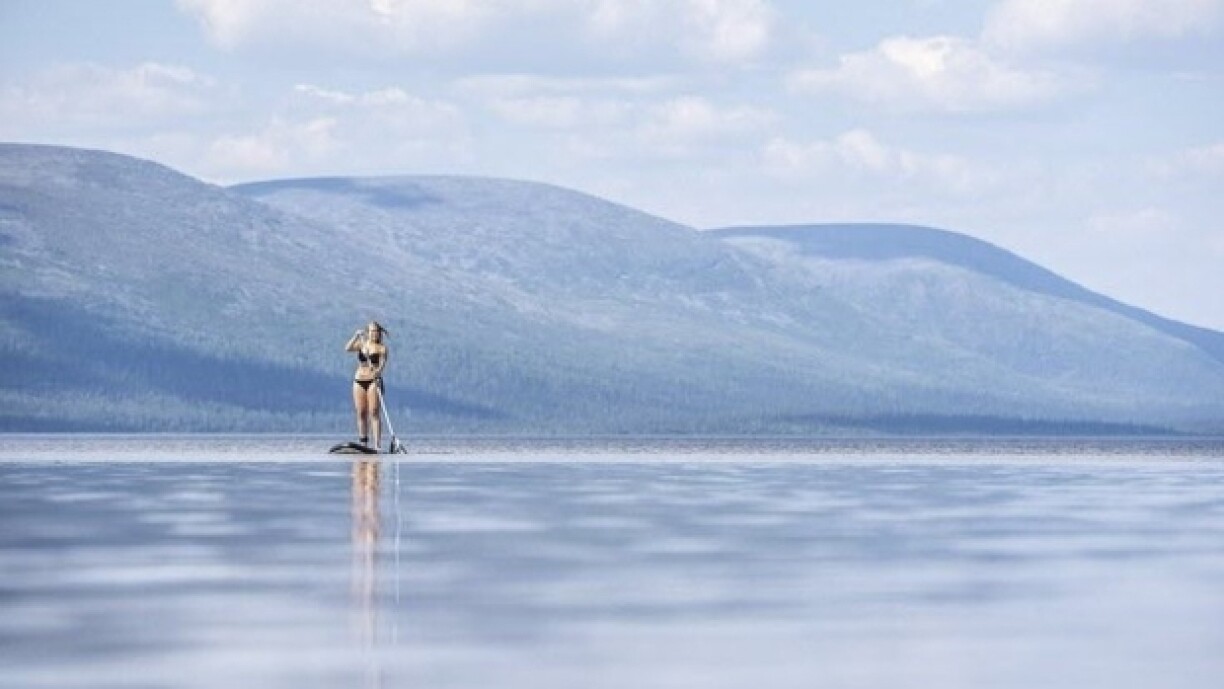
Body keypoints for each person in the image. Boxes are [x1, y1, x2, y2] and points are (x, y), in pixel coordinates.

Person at [345, 321, 389, 450]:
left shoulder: (382, 348)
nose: (374, 333)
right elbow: (347, 348)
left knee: (374, 411)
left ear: (379, 333)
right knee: (361, 412)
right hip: (359, 380)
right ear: (368, 332)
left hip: (373, 381)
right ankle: (363, 442)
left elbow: (382, 365)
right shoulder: (362, 344)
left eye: (376, 331)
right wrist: (356, 336)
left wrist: (377, 371)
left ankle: (377, 445)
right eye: (371, 331)